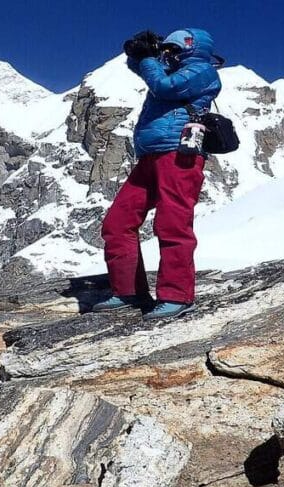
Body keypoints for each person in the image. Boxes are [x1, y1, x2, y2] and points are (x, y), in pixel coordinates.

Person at [92, 28, 222, 320]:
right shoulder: (171, 68)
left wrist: (150, 59)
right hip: (151, 157)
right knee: (118, 222)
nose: (168, 54)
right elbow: (144, 70)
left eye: (174, 50)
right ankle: (127, 291)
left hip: (180, 154)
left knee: (172, 224)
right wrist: (139, 54)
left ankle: (177, 296)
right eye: (167, 50)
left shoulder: (202, 71)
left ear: (191, 48)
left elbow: (165, 87)